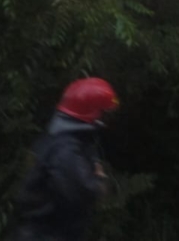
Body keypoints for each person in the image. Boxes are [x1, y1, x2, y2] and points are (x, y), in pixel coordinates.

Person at [12, 78, 119, 241]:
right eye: (104, 114)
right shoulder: (65, 149)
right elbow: (83, 191)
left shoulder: (61, 140)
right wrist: (99, 181)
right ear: (92, 113)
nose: (106, 122)